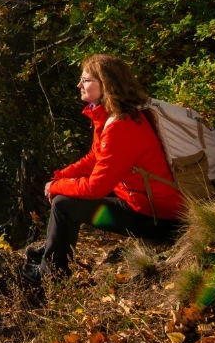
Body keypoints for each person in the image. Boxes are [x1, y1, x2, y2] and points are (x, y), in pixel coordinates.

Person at [23, 54, 186, 284]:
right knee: (67, 194)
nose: (79, 85)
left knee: (64, 204)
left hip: (161, 219)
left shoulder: (121, 125)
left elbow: (96, 187)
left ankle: (51, 276)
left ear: (106, 84)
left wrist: (58, 186)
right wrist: (62, 176)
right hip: (145, 202)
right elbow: (95, 158)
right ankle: (53, 247)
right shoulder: (112, 116)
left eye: (86, 80)